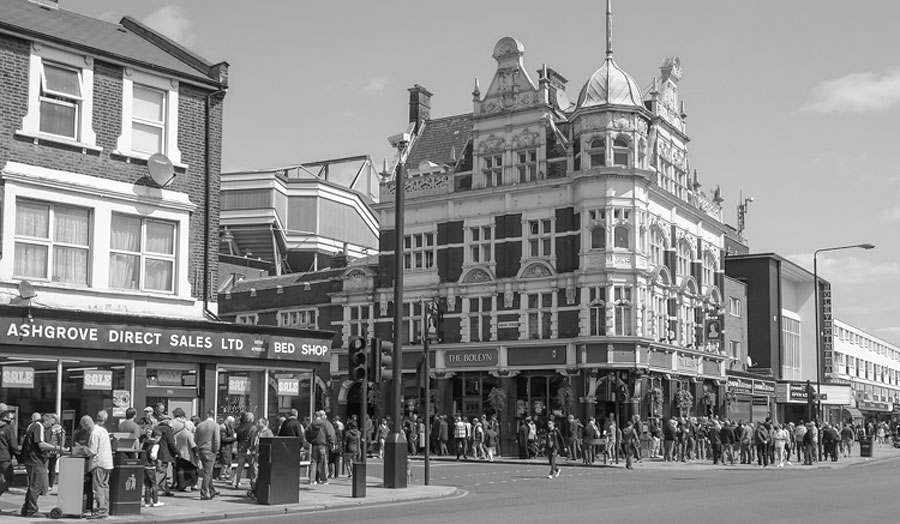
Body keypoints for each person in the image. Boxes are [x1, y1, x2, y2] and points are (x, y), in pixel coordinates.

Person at [20, 413, 56, 518]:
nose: (52, 426)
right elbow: (41, 444)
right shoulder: (38, 427)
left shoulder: (32, 426)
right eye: (51, 423)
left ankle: (26, 508)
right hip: (35, 460)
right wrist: (56, 448)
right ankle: (32, 510)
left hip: (30, 459)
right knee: (36, 485)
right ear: (46, 421)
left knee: (33, 485)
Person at [81, 415, 114, 519]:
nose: (83, 429)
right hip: (107, 462)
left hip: (98, 463)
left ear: (87, 424)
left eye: (83, 426)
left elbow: (92, 451)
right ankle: (105, 509)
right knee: (104, 486)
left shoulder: (94, 434)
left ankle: (101, 510)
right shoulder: (102, 430)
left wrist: (83, 449)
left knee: (98, 487)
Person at [195, 410, 221, 500]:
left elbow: (195, 438)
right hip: (210, 450)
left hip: (201, 449)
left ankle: (212, 490)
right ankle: (204, 492)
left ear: (207, 414)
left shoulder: (200, 425)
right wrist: (216, 450)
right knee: (207, 472)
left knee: (208, 471)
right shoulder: (215, 425)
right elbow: (216, 439)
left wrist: (198, 448)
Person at [305, 410, 336, 485]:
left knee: (313, 462)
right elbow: (330, 434)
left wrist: (311, 441)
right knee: (323, 462)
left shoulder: (312, 425)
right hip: (323, 445)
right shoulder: (325, 424)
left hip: (314, 445)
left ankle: (312, 480)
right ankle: (324, 479)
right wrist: (332, 443)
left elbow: (306, 433)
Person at [172, 409, 200, 492]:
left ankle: (180, 485)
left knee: (180, 471)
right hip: (188, 455)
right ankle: (190, 485)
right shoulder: (189, 434)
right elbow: (193, 445)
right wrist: (197, 453)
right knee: (190, 472)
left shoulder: (178, 433)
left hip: (179, 455)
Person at [0, 410, 21, 510]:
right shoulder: (8, 429)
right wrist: (19, 457)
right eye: (12, 419)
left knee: (1, 480)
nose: (13, 421)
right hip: (4, 458)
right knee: (10, 478)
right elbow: (13, 445)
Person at [152, 417, 177, 497]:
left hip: (156, 453)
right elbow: (171, 443)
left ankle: (166, 490)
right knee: (162, 472)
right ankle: (152, 488)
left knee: (161, 471)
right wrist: (177, 452)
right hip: (165, 454)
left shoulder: (155, 429)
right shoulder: (167, 430)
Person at [231, 412, 256, 489]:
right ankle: (254, 483)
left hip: (240, 448)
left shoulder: (240, 427)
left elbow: (236, 437)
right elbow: (253, 439)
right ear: (251, 419)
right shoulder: (253, 427)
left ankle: (235, 482)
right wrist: (252, 448)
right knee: (253, 467)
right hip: (249, 449)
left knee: (240, 466)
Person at [140, 427, 163, 508]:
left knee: (147, 484)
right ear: (157, 437)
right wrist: (155, 460)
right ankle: (155, 500)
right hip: (151, 466)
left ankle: (147, 501)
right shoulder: (156, 445)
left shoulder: (145, 442)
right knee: (153, 483)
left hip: (144, 465)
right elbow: (153, 456)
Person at [45, 413, 65, 492]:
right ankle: (45, 484)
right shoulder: (47, 427)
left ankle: (50, 484)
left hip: (54, 450)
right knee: (45, 467)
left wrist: (60, 450)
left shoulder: (59, 428)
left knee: (52, 467)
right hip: (47, 449)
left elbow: (62, 439)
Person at [218, 416, 236, 481]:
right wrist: (233, 438)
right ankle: (222, 475)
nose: (233, 424)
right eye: (232, 422)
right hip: (225, 447)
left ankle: (227, 475)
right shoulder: (223, 427)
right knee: (225, 462)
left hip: (229, 447)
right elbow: (223, 439)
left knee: (229, 462)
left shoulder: (230, 427)